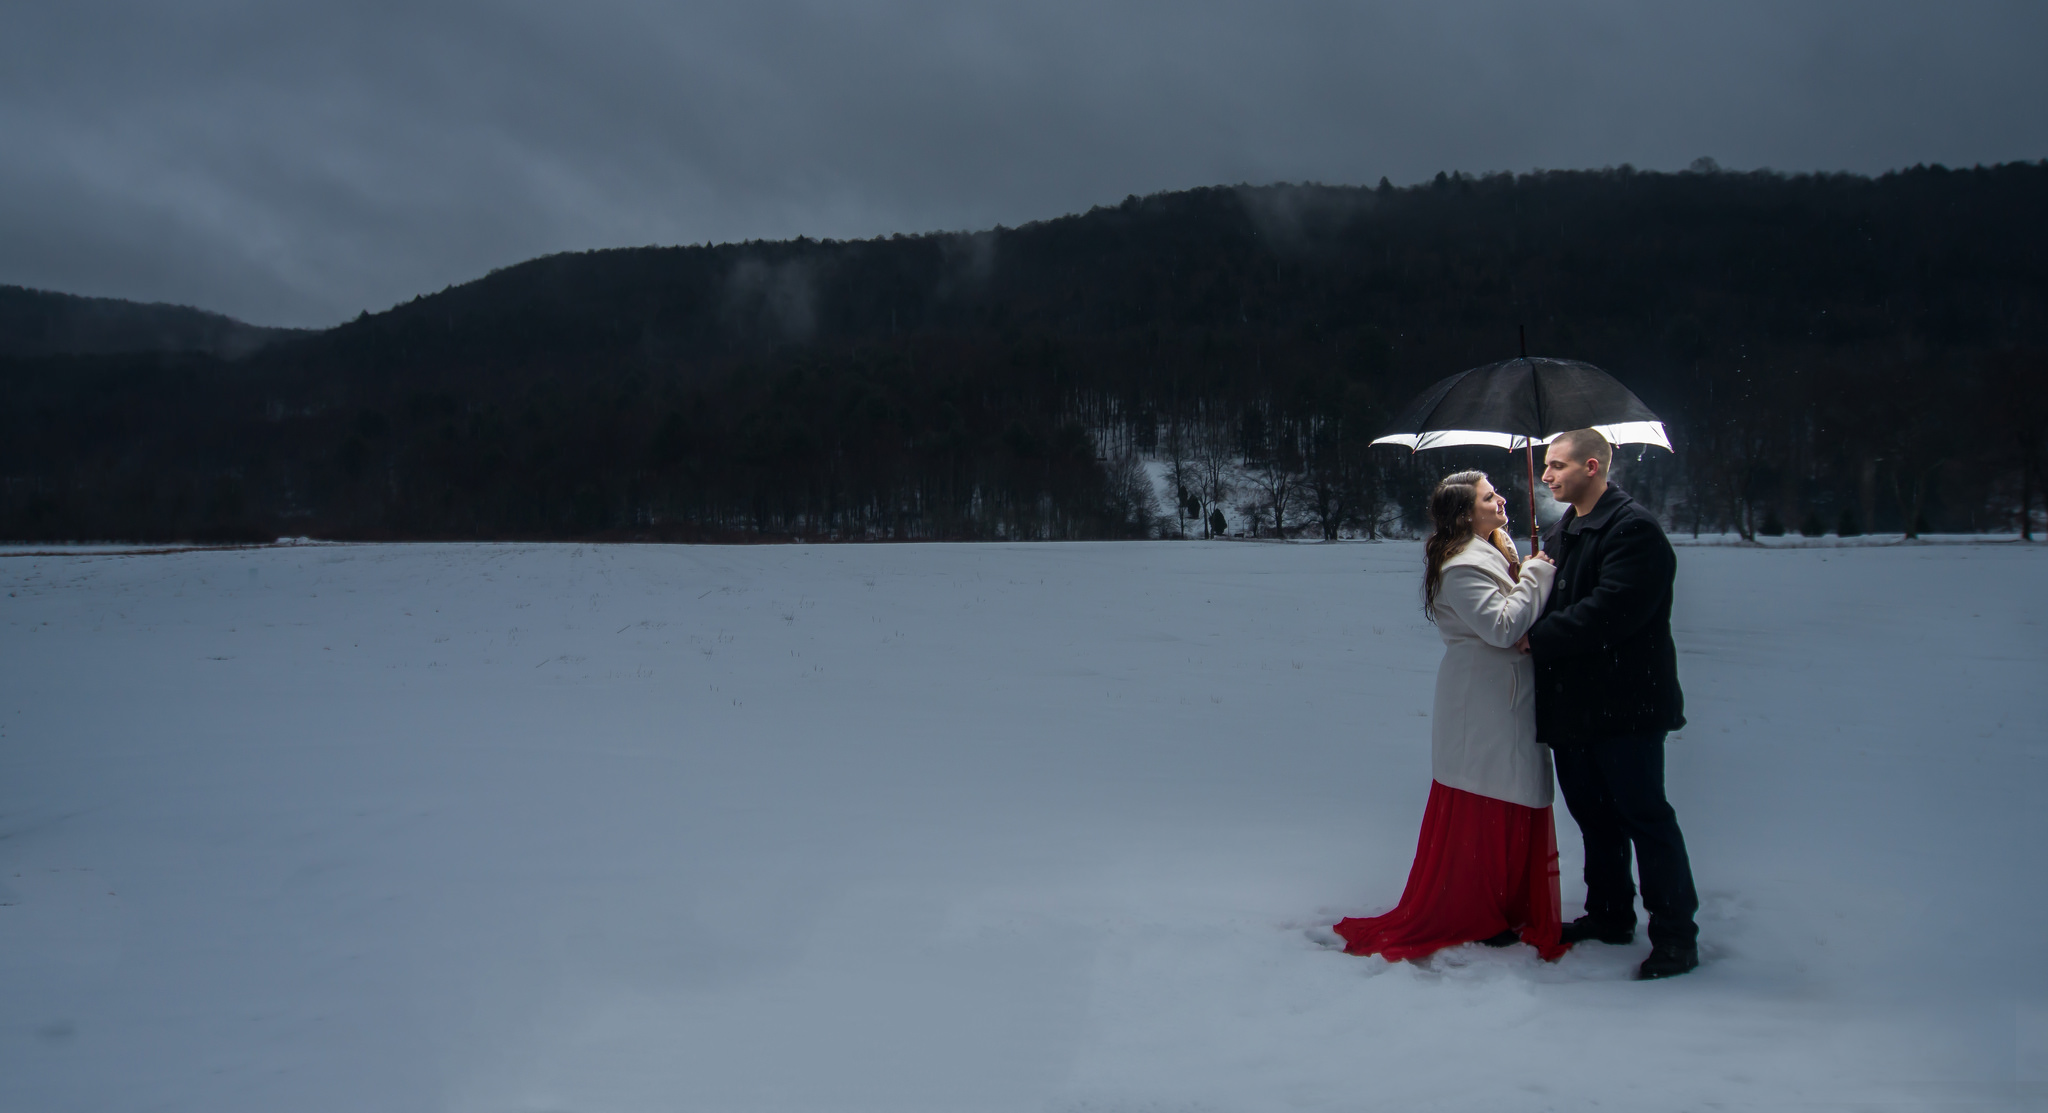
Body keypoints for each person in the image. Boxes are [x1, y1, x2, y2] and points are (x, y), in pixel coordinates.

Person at [1335, 471, 1567, 962]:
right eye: (1488, 496)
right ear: (1464, 513)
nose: (1500, 500)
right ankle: (1476, 909)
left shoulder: (1490, 552)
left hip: (1502, 694)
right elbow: (1501, 627)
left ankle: (1501, 904)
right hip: (1483, 700)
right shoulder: (1463, 565)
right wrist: (1535, 576)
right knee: (1487, 794)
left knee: (1507, 789)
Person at [1526, 429, 1701, 980]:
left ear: (1593, 466)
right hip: (1575, 708)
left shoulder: (1633, 529)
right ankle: (1609, 913)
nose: (1547, 475)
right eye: (1545, 465)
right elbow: (1551, 595)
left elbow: (1611, 611)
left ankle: (1675, 935)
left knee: (1644, 817)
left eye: (1557, 465)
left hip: (1625, 706)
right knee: (1594, 817)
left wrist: (1536, 636)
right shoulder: (1565, 530)